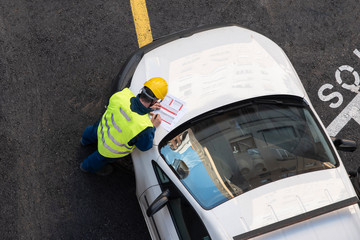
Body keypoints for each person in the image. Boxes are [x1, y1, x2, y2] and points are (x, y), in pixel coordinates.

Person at [79, 77, 168, 176]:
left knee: (92, 131)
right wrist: (153, 126)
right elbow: (144, 146)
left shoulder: (123, 94)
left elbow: (127, 108)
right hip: (109, 148)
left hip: (103, 128)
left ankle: (84, 141)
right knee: (99, 158)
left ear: (143, 89)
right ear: (155, 101)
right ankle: (86, 167)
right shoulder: (145, 128)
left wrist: (145, 108)